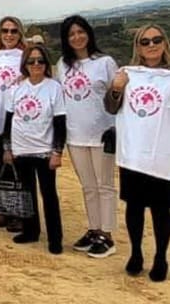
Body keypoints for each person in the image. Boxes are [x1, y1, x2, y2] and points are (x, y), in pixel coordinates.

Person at [106, 23, 170, 281]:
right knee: (134, 207)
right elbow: (111, 108)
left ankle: (160, 257)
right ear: (138, 48)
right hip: (133, 153)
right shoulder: (127, 74)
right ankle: (135, 253)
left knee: (162, 209)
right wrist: (117, 88)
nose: (151, 45)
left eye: (156, 40)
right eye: (145, 42)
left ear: (164, 43)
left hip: (163, 155)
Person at [55, 15, 118, 258]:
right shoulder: (63, 65)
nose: (77, 37)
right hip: (75, 134)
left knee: (105, 186)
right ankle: (94, 229)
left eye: (80, 32)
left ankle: (108, 234)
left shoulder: (105, 63)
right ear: (66, 39)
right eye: (71, 34)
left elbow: (117, 96)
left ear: (89, 33)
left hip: (102, 133)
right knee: (88, 186)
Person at [2, 45, 65, 255]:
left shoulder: (54, 87)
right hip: (21, 148)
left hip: (44, 150)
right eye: (31, 61)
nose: (36, 65)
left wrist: (57, 151)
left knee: (49, 194)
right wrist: (7, 148)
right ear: (25, 65)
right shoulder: (17, 88)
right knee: (26, 192)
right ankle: (30, 230)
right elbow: (9, 120)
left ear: (46, 63)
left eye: (40, 61)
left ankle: (55, 238)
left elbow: (60, 122)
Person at [0, 17, 26, 228]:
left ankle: (19, 212)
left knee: (15, 167)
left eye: (13, 31)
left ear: (20, 34)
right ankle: (2, 209)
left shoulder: (25, 57)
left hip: (16, 120)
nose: (9, 35)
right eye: (5, 31)